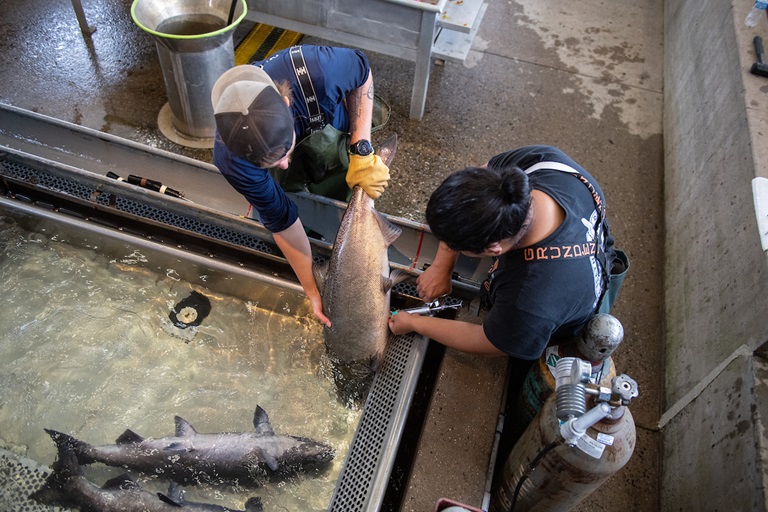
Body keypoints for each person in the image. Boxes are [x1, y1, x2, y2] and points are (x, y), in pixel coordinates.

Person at [388, 145, 619, 391]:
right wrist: (441, 266)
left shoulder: (529, 301)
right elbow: (481, 172)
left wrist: (413, 323)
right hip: (578, 258)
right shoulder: (544, 165)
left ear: (494, 249)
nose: (446, 245)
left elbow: (489, 341)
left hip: (561, 321)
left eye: (454, 245)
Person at [211, 45, 390, 328]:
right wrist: (312, 290)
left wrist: (362, 148)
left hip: (333, 120)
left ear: (285, 101)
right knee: (285, 189)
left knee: (340, 184)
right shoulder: (231, 160)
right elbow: (281, 221)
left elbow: (362, 72)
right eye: (270, 163)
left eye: (285, 151)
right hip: (294, 135)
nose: (282, 165)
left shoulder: (320, 70)